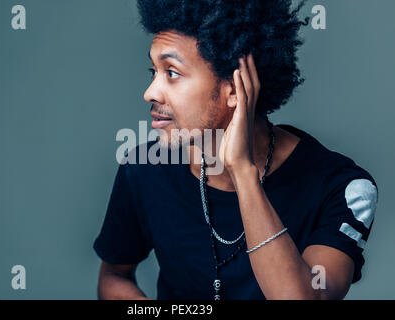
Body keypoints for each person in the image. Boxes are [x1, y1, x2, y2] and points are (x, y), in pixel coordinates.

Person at [93, 0, 378, 300]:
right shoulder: (143, 169)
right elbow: (112, 277)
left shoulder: (342, 187)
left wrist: (243, 173)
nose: (150, 92)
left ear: (234, 86)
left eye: (172, 73)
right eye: (153, 71)